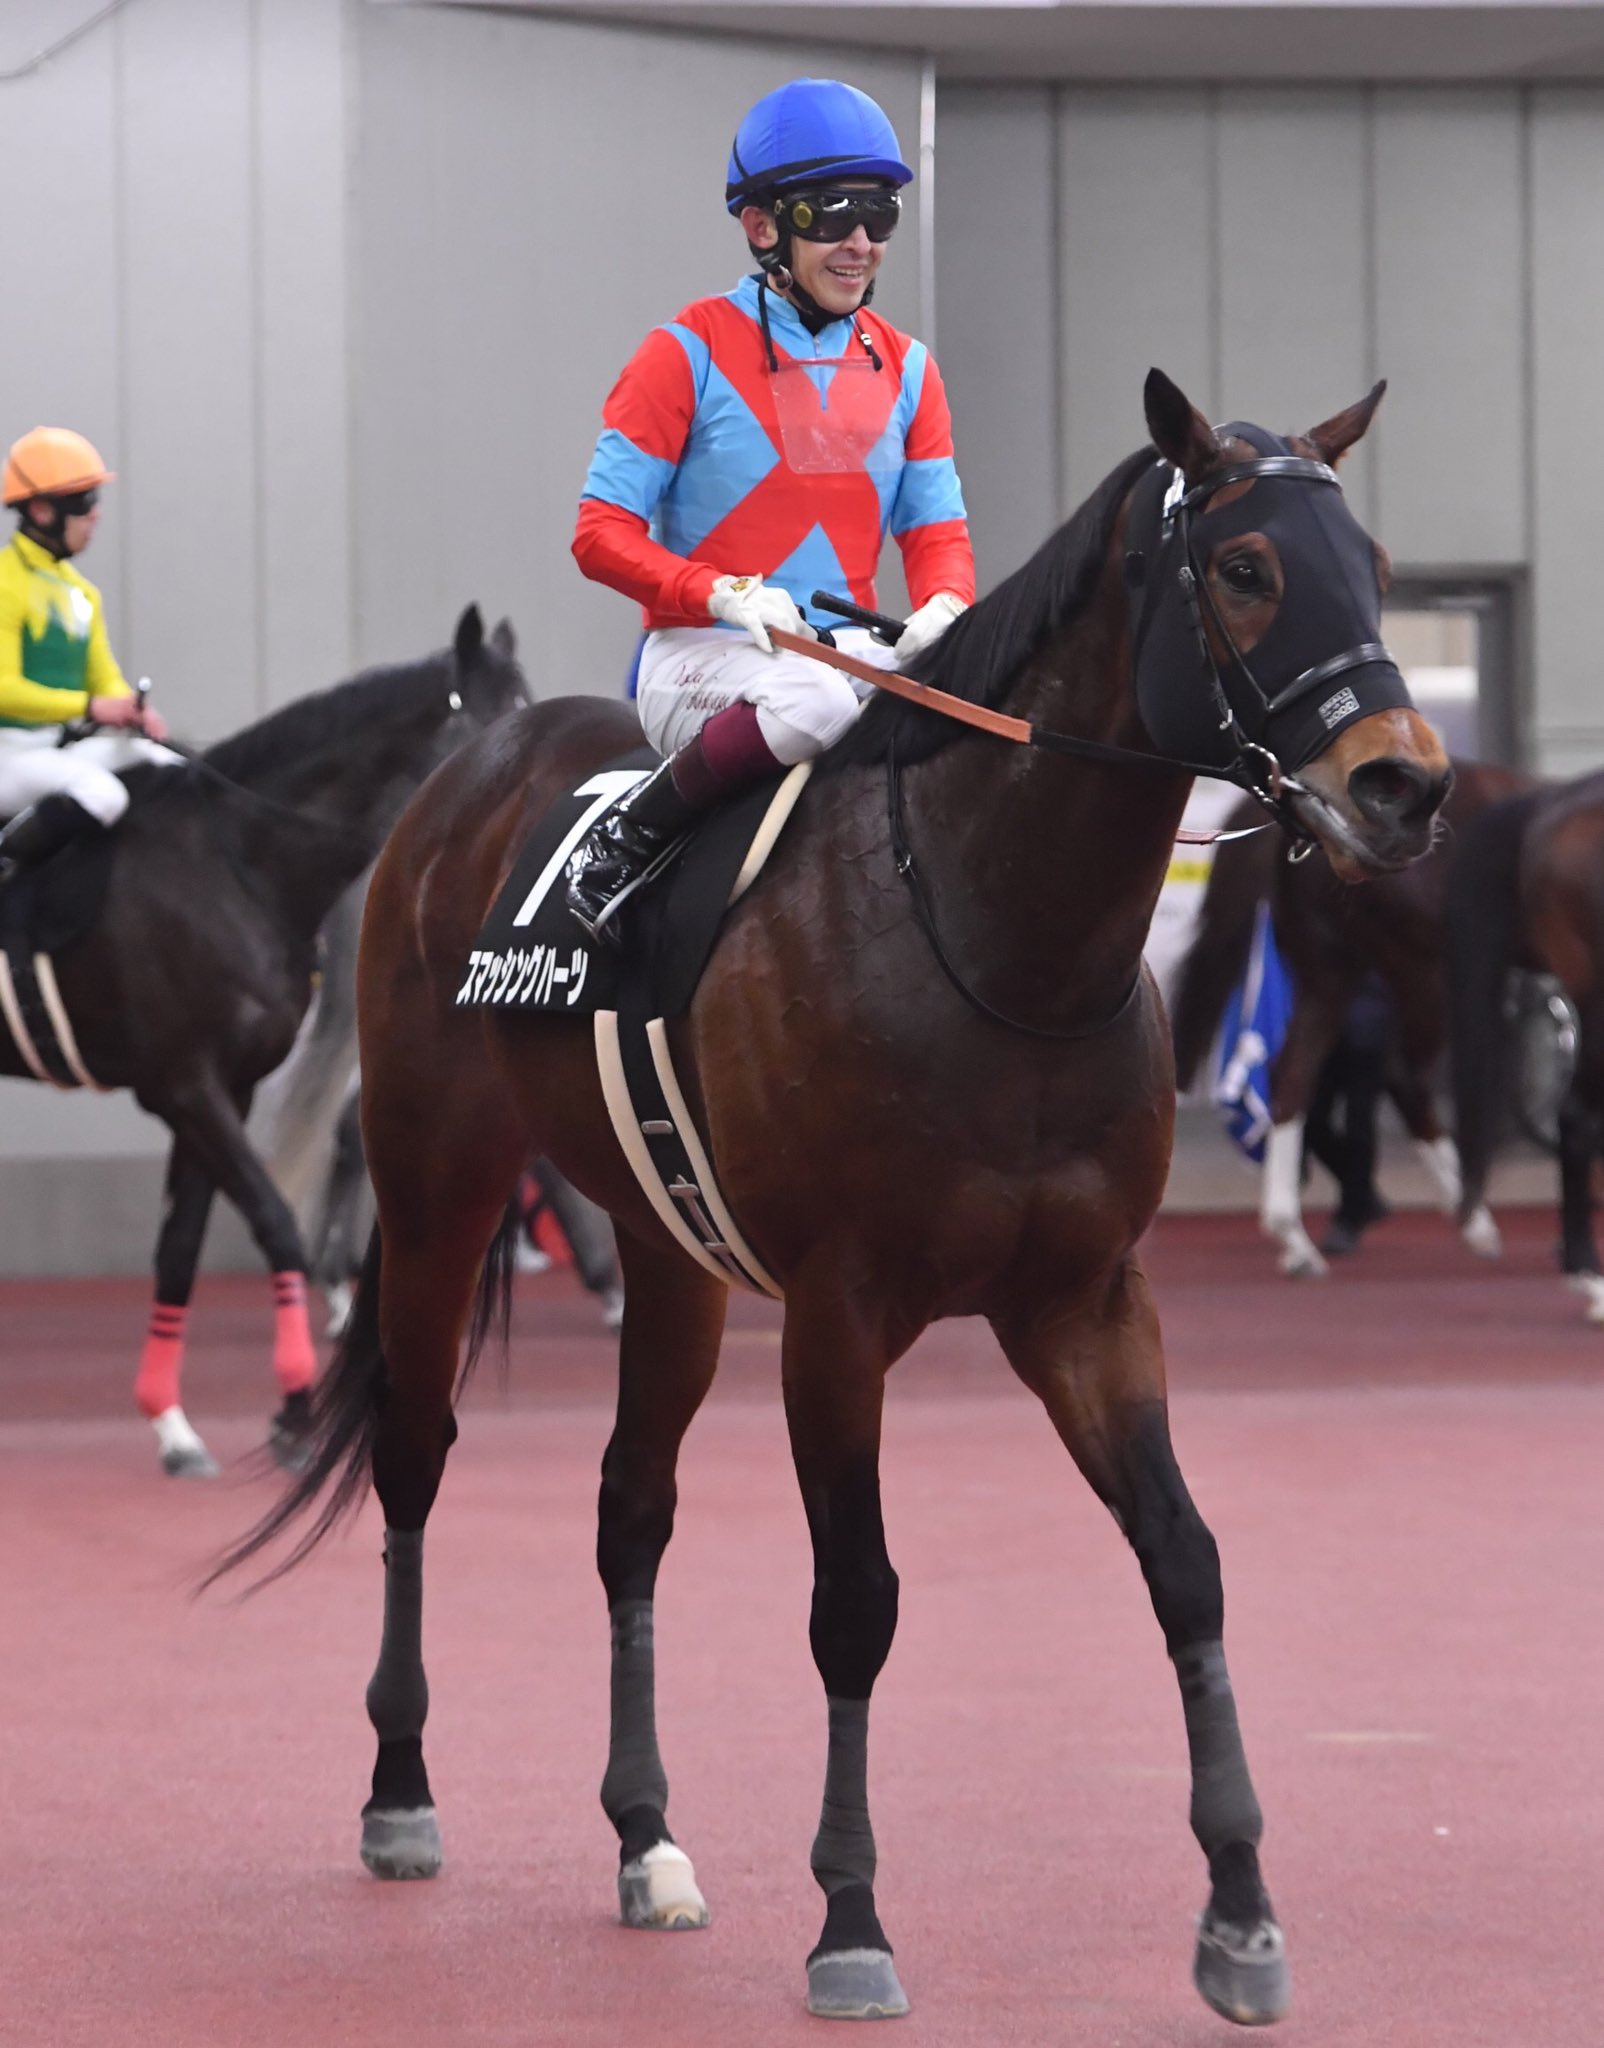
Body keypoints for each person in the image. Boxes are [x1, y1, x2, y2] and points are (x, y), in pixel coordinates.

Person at [565, 76, 975, 942]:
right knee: (816, 702)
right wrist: (718, 594)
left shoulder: (911, 369)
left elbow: (935, 532)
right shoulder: (683, 350)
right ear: (763, 227)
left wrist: (945, 606)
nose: (860, 242)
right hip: (700, 655)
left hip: (845, 651)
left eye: (879, 211)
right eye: (830, 213)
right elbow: (599, 535)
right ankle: (630, 838)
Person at [0, 426, 173, 876]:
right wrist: (92, 706)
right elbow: (3, 689)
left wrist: (133, 709)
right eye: (82, 502)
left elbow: (104, 680)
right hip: (10, 755)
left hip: (56, 752)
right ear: (39, 510)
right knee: (104, 795)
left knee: (167, 765)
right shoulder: (5, 582)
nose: (95, 514)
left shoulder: (83, 594)